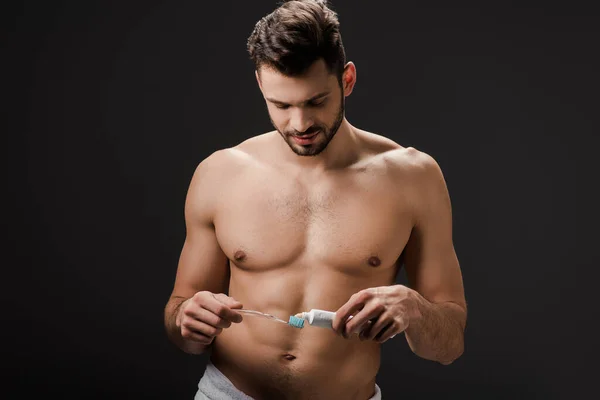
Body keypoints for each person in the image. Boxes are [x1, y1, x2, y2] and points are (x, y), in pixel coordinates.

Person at [163, 0, 467, 398]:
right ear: (260, 84)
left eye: (315, 102)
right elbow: (179, 319)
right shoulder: (220, 174)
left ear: (348, 80)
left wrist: (414, 309)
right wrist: (187, 319)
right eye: (282, 105)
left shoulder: (413, 178)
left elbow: (448, 346)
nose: (300, 123)